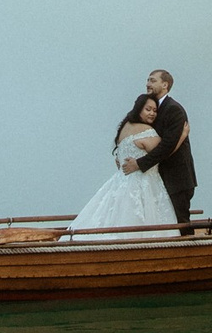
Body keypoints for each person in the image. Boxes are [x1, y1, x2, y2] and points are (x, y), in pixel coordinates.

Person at [67, 96, 179, 235]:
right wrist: (182, 136)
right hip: (144, 182)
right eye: (148, 109)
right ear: (139, 109)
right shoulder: (146, 130)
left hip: (122, 182)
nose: (152, 113)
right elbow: (164, 152)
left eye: (155, 110)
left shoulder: (125, 128)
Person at [127, 68, 200, 234]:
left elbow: (167, 146)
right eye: (147, 80)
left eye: (153, 80)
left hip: (177, 179)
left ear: (165, 85)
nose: (148, 84)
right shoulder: (152, 110)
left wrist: (139, 164)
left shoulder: (173, 109)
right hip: (158, 180)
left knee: (180, 225)